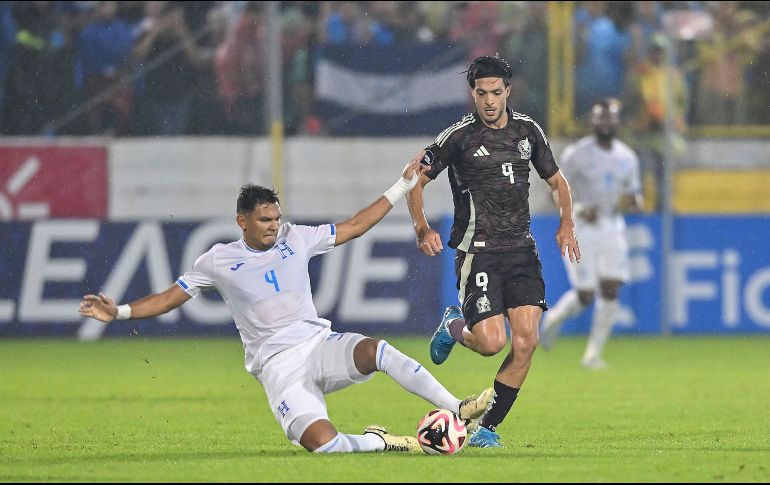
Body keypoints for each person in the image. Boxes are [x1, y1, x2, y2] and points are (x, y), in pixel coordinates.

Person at [79, 158, 494, 454]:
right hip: (278, 367)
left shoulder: (296, 237)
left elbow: (354, 225)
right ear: (242, 221)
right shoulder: (218, 259)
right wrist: (120, 312)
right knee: (325, 445)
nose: (275, 226)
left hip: (317, 345)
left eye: (277, 218)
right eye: (265, 220)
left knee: (376, 350)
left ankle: (456, 407)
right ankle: (381, 441)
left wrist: (402, 185)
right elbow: (171, 296)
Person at [406, 55, 580, 448]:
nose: (489, 101)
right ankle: (454, 324)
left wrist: (566, 221)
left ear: (508, 92)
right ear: (473, 93)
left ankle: (488, 427)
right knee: (490, 343)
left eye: (496, 93)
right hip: (478, 252)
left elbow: (557, 181)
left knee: (527, 342)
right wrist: (421, 227)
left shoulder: (528, 131)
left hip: (522, 252)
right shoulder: (459, 137)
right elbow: (414, 178)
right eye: (481, 93)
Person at [540, 98, 643, 370]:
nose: (605, 123)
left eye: (609, 118)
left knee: (611, 288)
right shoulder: (577, 154)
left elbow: (634, 193)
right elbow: (555, 189)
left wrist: (636, 202)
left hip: (612, 225)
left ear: (617, 122)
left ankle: (593, 354)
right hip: (580, 228)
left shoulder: (627, 157)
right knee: (585, 294)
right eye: (600, 118)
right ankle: (553, 320)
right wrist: (580, 208)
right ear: (593, 122)